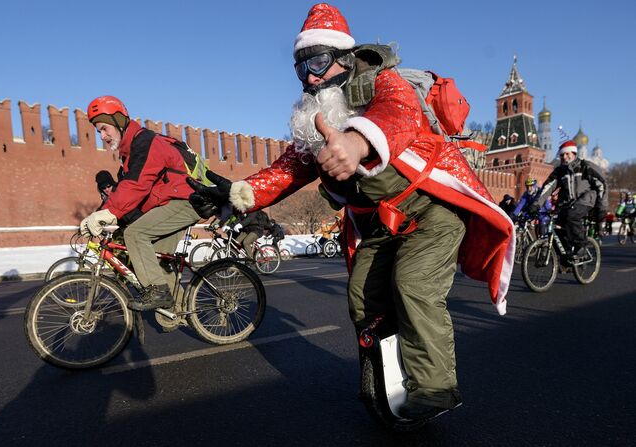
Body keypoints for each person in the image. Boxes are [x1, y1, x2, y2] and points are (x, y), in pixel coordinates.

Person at [187, 3, 513, 420]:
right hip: (381, 222)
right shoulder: (316, 117)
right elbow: (288, 169)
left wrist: (357, 143)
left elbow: (399, 117)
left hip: (431, 214)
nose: (310, 76)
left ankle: (436, 388)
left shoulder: (383, 82)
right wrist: (238, 193)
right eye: (300, 67)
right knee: (363, 298)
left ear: (344, 57)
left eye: (319, 61)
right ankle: (382, 376)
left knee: (413, 284)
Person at [79, 95, 202, 311]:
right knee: (153, 260)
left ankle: (158, 292)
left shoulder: (145, 142)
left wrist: (108, 213)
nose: (103, 135)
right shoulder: (129, 154)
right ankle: (179, 312)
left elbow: (136, 185)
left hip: (185, 200)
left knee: (135, 235)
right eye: (99, 131)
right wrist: (100, 215)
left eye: (105, 128)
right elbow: (127, 193)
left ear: (119, 120)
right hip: (169, 203)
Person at [529, 140, 607, 261]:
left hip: (586, 200)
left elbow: (602, 185)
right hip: (567, 203)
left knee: (572, 216)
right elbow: (547, 188)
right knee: (557, 226)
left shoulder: (585, 167)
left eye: (567, 154)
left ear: (574, 153)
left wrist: (602, 207)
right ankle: (566, 257)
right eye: (562, 155)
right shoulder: (559, 171)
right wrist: (536, 204)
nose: (564, 157)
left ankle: (581, 245)